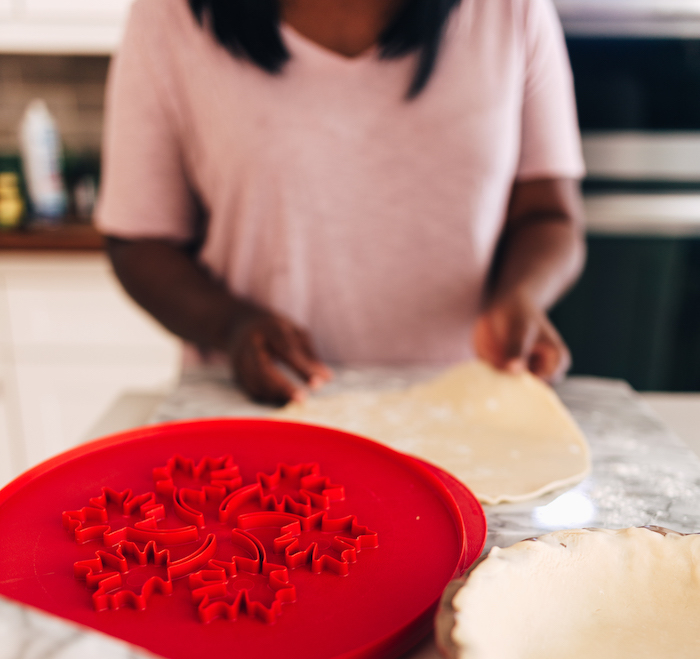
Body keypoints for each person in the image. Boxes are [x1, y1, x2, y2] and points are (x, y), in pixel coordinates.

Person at [96, 0, 585, 405]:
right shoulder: (169, 16)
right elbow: (139, 240)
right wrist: (231, 324)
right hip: (260, 404)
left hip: (462, 405)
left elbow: (549, 216)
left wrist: (520, 295)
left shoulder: (511, 11)